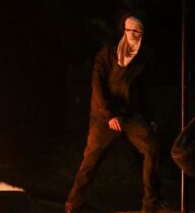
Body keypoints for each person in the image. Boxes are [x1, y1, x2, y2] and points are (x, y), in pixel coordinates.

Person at [66, 15, 167, 213]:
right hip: (105, 116)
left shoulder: (145, 55)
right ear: (124, 31)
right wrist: (110, 115)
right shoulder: (107, 54)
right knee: (92, 158)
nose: (135, 36)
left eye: (139, 32)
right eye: (131, 31)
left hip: (130, 114)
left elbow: (144, 90)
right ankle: (74, 204)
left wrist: (150, 118)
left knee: (153, 147)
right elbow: (97, 86)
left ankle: (151, 203)